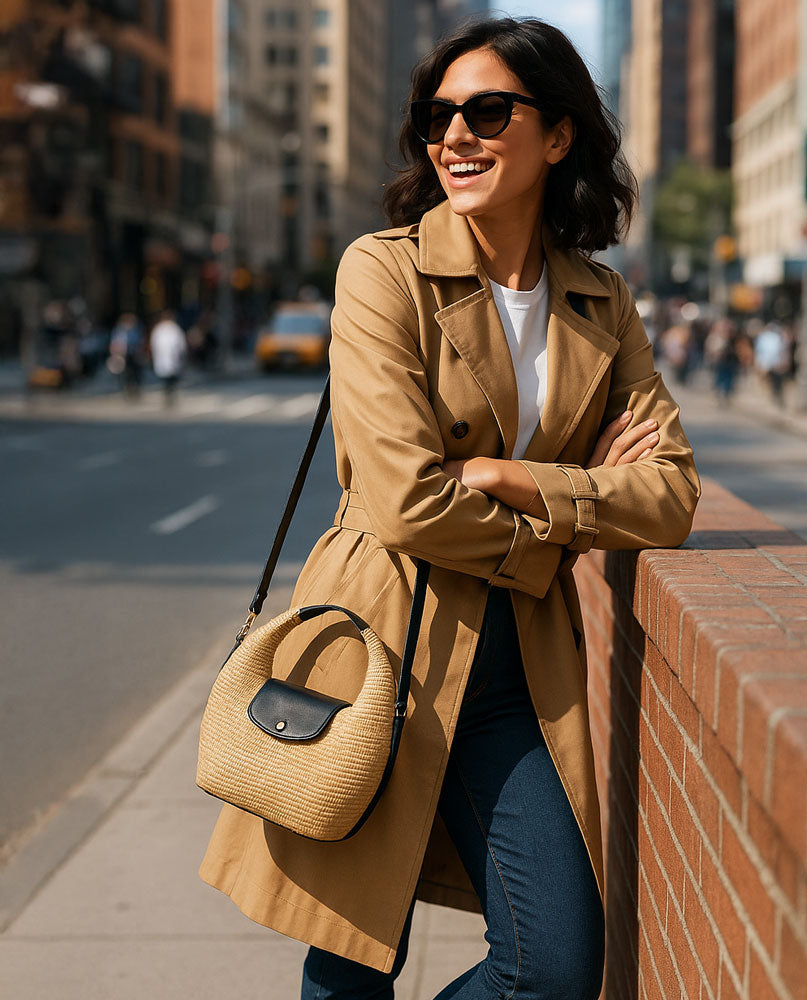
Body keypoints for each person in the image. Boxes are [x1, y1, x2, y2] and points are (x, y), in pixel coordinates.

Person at [199, 17, 700, 999]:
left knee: (554, 963)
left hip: (517, 674)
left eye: (486, 111)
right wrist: (562, 531)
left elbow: (672, 495)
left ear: (558, 135)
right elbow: (406, 501)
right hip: (378, 642)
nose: (455, 136)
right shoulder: (381, 269)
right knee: (349, 956)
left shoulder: (600, 301)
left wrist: (524, 481)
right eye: (438, 116)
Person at [149, 309, 187, 407]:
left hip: (172, 358)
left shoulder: (173, 329)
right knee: (167, 379)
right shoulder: (160, 329)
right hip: (164, 358)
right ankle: (168, 395)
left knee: (171, 378)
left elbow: (181, 344)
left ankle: (170, 395)